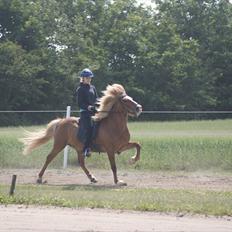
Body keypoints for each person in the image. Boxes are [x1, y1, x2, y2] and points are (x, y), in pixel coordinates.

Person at [75, 68, 98, 157]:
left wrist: (100, 105)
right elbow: (80, 103)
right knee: (89, 128)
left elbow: (96, 99)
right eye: (87, 77)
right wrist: (88, 107)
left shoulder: (93, 87)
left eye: (90, 77)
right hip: (85, 113)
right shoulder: (80, 89)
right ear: (83, 78)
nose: (89, 79)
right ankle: (86, 149)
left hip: (94, 112)